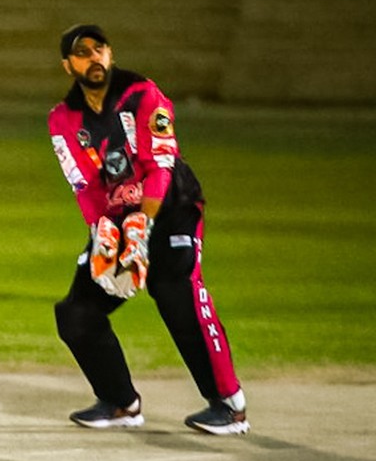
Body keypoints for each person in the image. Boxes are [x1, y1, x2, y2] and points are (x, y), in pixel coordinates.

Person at [48, 23, 249, 435]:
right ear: (68, 65)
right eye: (82, 52)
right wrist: (103, 233)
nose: (93, 57)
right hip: (119, 220)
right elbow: (85, 186)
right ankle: (120, 403)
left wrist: (144, 225)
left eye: (99, 48)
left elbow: (160, 165)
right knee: (76, 313)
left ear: (110, 53)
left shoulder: (142, 94)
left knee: (175, 293)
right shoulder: (63, 118)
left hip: (171, 209)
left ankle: (229, 405)